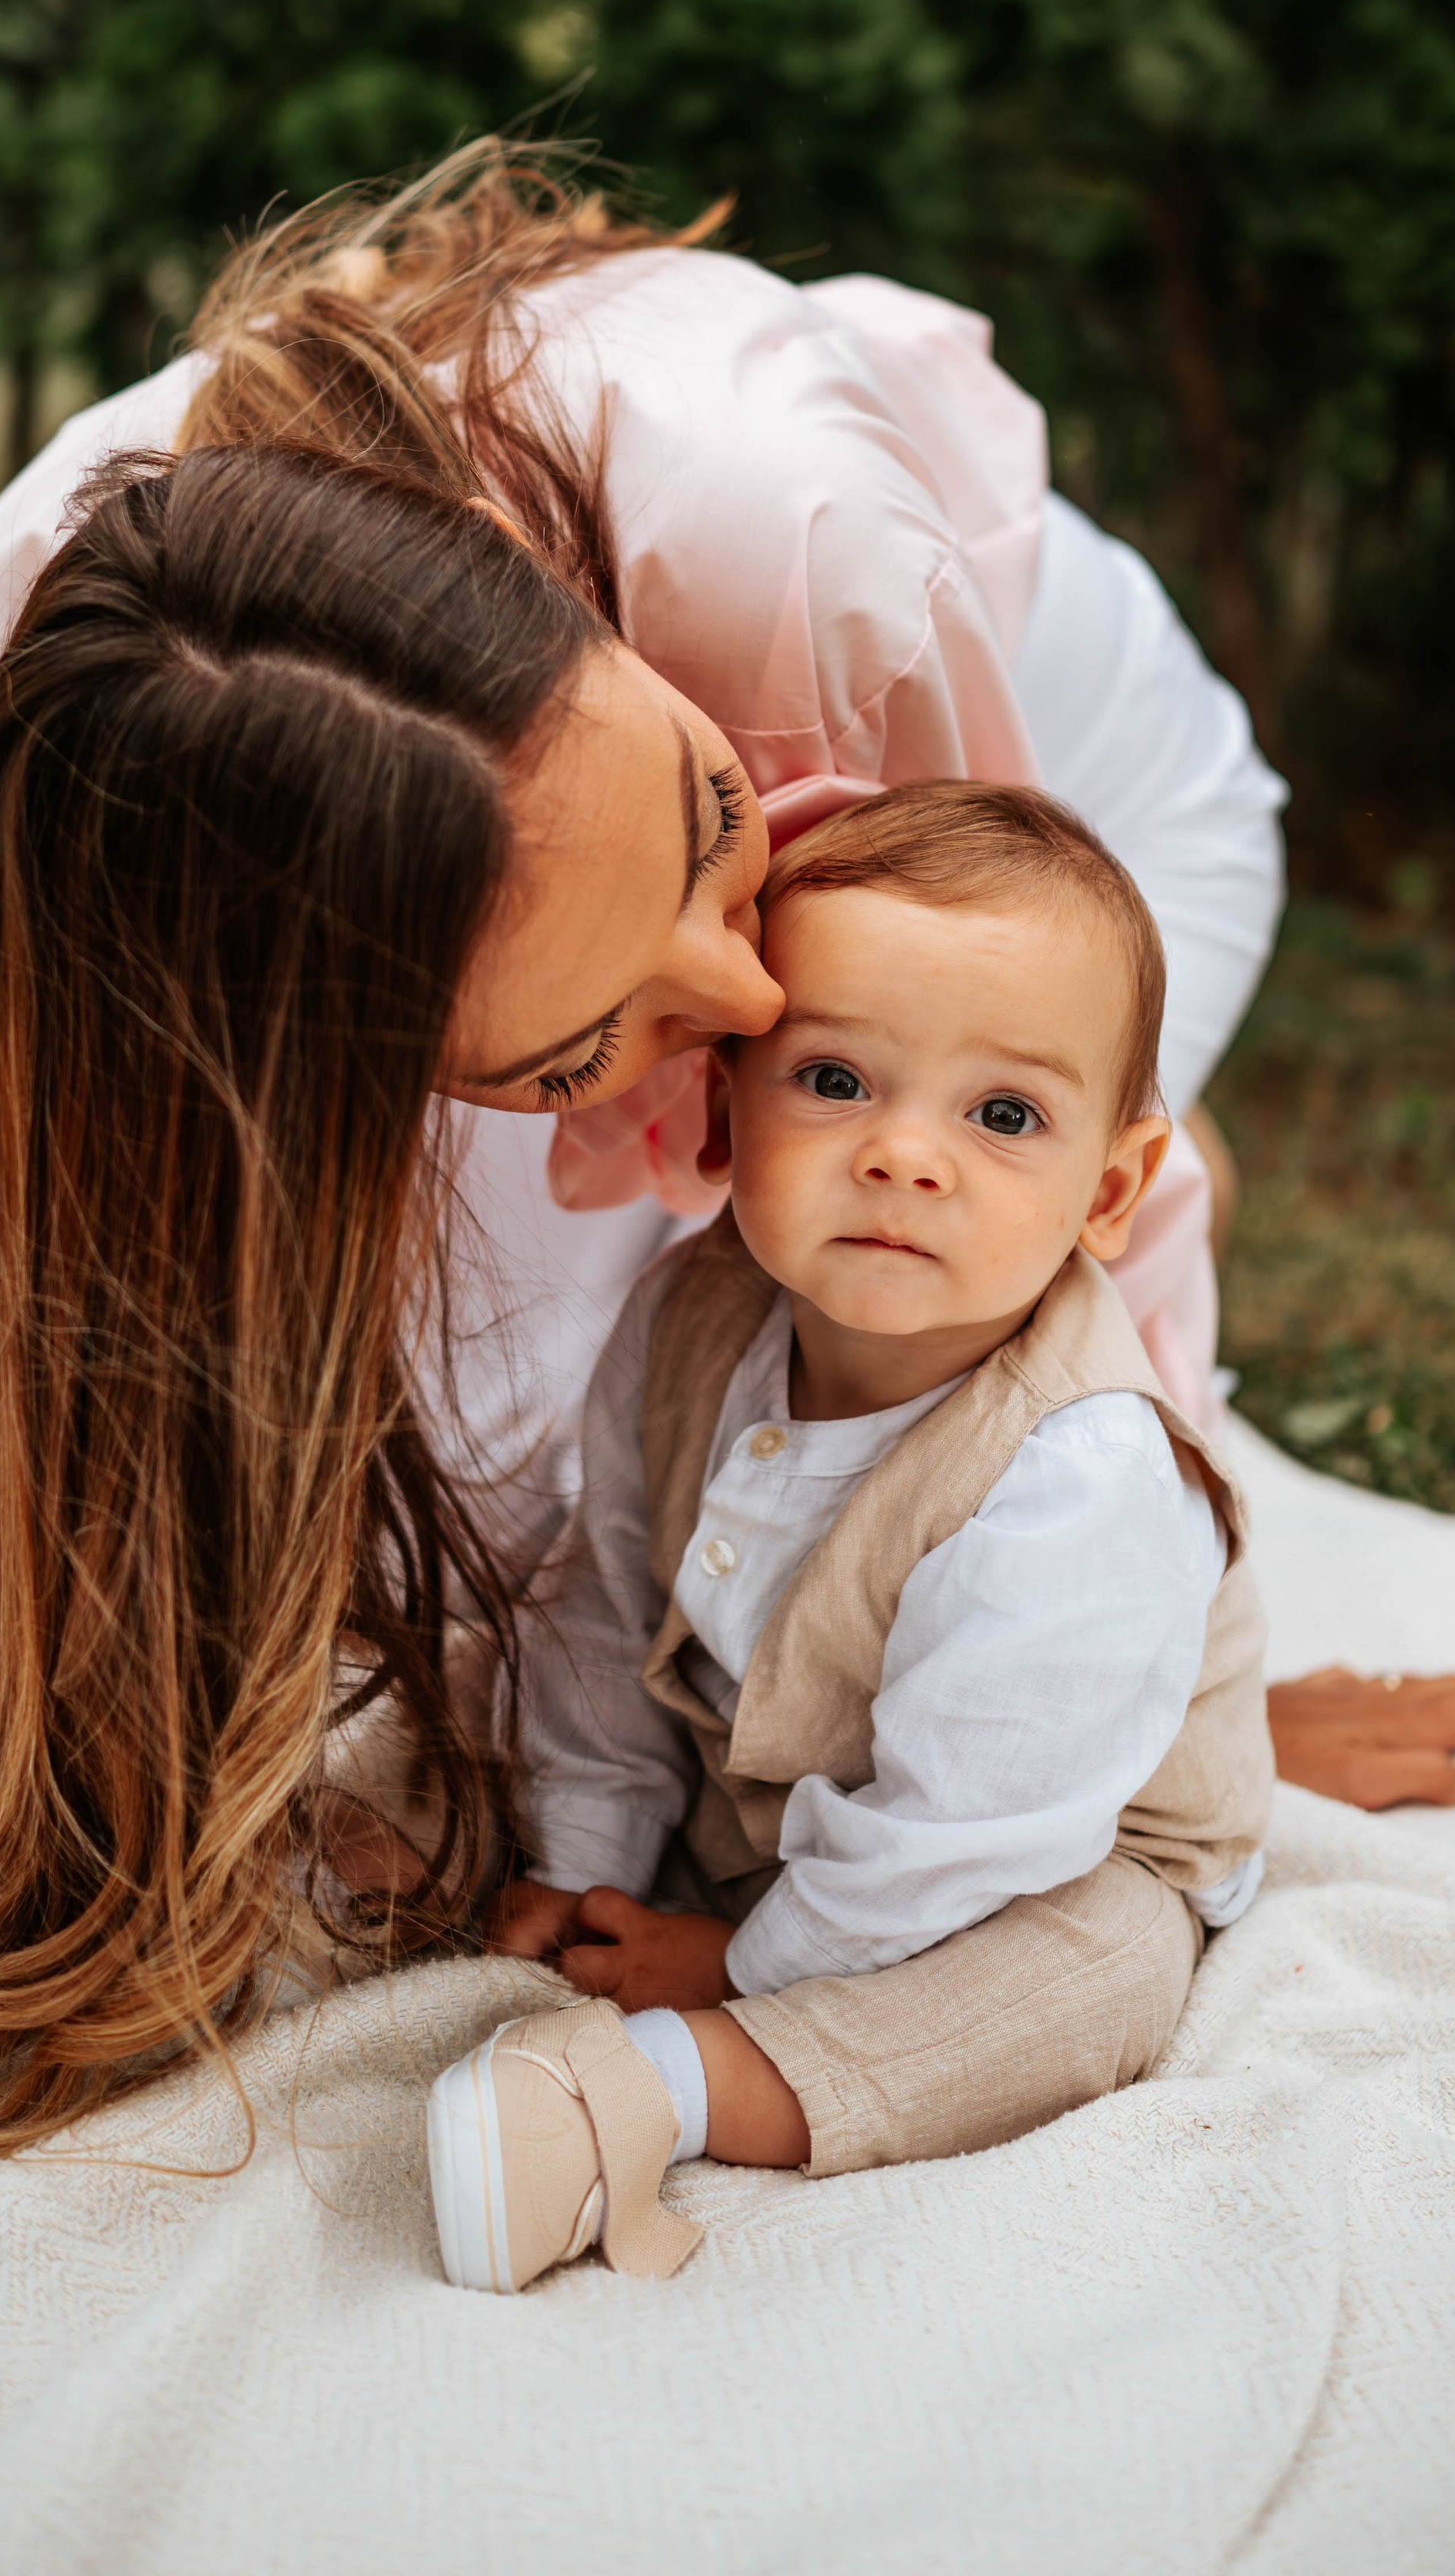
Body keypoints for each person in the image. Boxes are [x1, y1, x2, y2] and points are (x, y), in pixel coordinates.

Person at [0, 151, 1455, 1789]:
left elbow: (979, 1078)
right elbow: (161, 1189)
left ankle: (1168, 1149)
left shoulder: (808, 574)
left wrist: (1167, 1699)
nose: (743, 1005)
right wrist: (104, 1514)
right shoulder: (42, 743)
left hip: (1062, 761)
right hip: (564, 857)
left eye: (710, 820)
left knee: (882, 1219)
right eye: (577, 1048)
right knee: (507, 1440)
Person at [427, 782, 1271, 2293]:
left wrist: (737, 1966)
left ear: (1109, 1190)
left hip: (1029, 1851)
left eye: (1001, 1114)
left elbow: (960, 1832)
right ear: (719, 1109)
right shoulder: (692, 1311)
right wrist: (588, 1855)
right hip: (745, 1767)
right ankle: (402, 1882)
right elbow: (601, 1606)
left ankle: (658, 2090)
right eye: (831, 1079)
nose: (902, 1156)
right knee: (473, 1663)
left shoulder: (1077, 1476)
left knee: (1093, 1980)